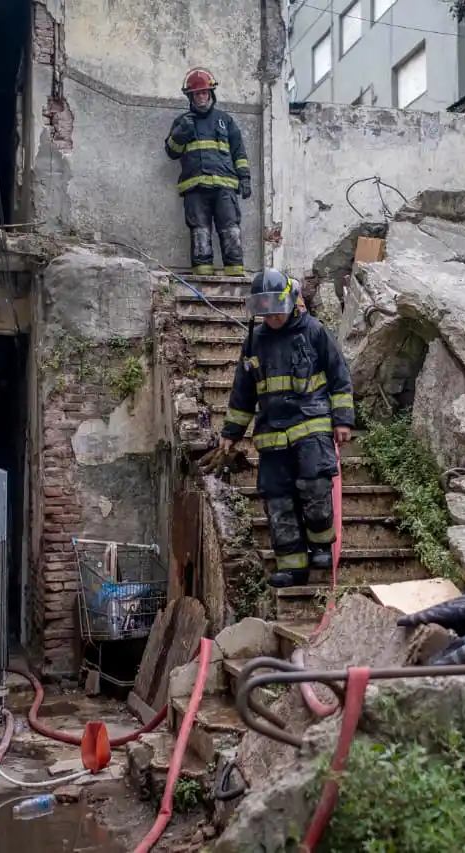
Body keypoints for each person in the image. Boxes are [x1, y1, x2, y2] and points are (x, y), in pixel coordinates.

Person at [218, 270, 355, 588]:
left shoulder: (314, 331)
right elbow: (243, 392)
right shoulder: (255, 341)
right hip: (272, 435)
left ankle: (320, 547)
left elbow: (339, 376)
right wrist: (230, 433)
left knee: (315, 488)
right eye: (265, 310)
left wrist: (343, 419)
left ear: (291, 301)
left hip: (312, 427)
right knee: (278, 500)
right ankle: (292, 567)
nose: (272, 316)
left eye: (276, 308)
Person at [164, 67, 251, 277]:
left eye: (204, 93)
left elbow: (239, 152)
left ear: (211, 94)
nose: (201, 97)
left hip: (225, 187)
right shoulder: (182, 122)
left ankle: (235, 272)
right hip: (195, 187)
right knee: (200, 230)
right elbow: (172, 152)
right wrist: (180, 133)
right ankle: (202, 273)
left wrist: (245, 178)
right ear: (190, 97)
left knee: (230, 228)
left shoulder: (225, 120)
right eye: (197, 94)